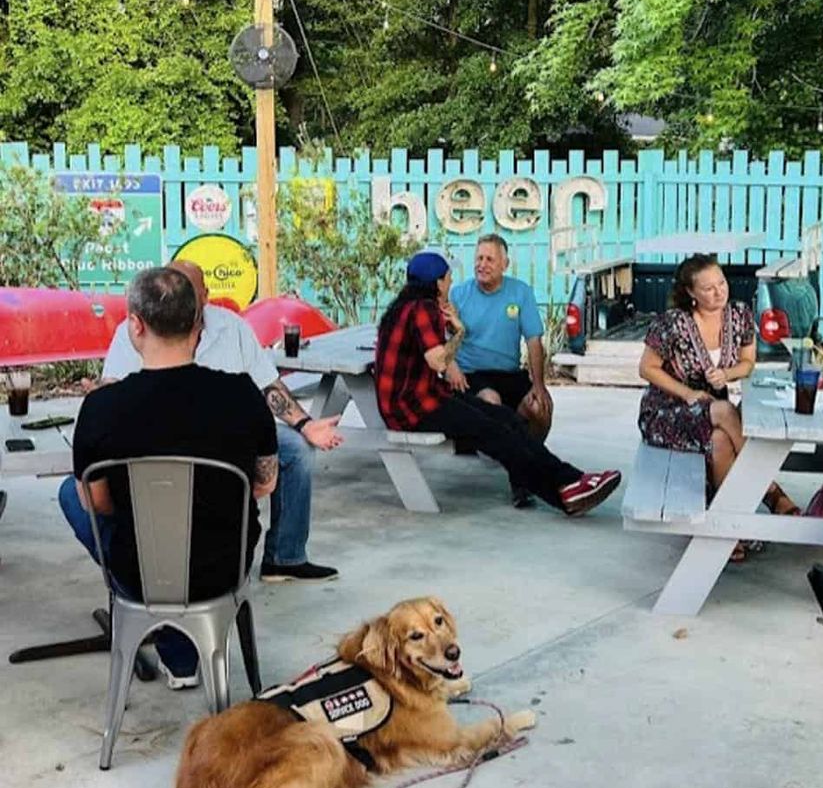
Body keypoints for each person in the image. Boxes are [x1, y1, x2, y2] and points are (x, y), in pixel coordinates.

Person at [59, 266, 279, 687]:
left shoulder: (102, 407)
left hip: (141, 571)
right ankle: (184, 644)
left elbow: (97, 503)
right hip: (225, 566)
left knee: (72, 494)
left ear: (136, 326)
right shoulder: (242, 395)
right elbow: (265, 484)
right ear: (198, 323)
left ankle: (169, 638)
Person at [102, 259, 341, 582]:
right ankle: (142, 564)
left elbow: (266, 383)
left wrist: (305, 424)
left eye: (185, 290)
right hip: (159, 439)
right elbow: (112, 394)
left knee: (295, 449)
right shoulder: (134, 333)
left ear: (204, 296)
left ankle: (285, 557)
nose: (177, 298)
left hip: (227, 437)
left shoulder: (232, 330)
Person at [375, 250, 620, 517]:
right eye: (447, 278)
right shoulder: (424, 309)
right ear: (437, 282)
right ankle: (565, 490)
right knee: (496, 433)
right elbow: (439, 361)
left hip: (420, 399)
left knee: (507, 419)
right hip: (414, 409)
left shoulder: (402, 307)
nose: (450, 283)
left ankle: (571, 482)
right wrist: (460, 331)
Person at [637, 253, 796, 560]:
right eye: (708, 288)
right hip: (667, 411)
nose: (719, 291)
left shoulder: (739, 315)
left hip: (712, 415)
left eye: (721, 283)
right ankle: (771, 491)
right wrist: (688, 393)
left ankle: (726, 528)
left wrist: (727, 373)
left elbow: (748, 363)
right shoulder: (672, 323)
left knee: (721, 440)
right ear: (691, 293)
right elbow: (647, 368)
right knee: (724, 411)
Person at [450, 233, 554, 506]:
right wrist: (451, 366)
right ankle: (521, 482)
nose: (482, 265)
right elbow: (442, 339)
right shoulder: (459, 294)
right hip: (473, 375)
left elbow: (534, 341)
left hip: (510, 374)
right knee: (492, 402)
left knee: (541, 408)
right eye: (479, 258)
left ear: (505, 264)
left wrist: (539, 385)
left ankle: (526, 465)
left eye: (489, 259)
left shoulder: (520, 292)